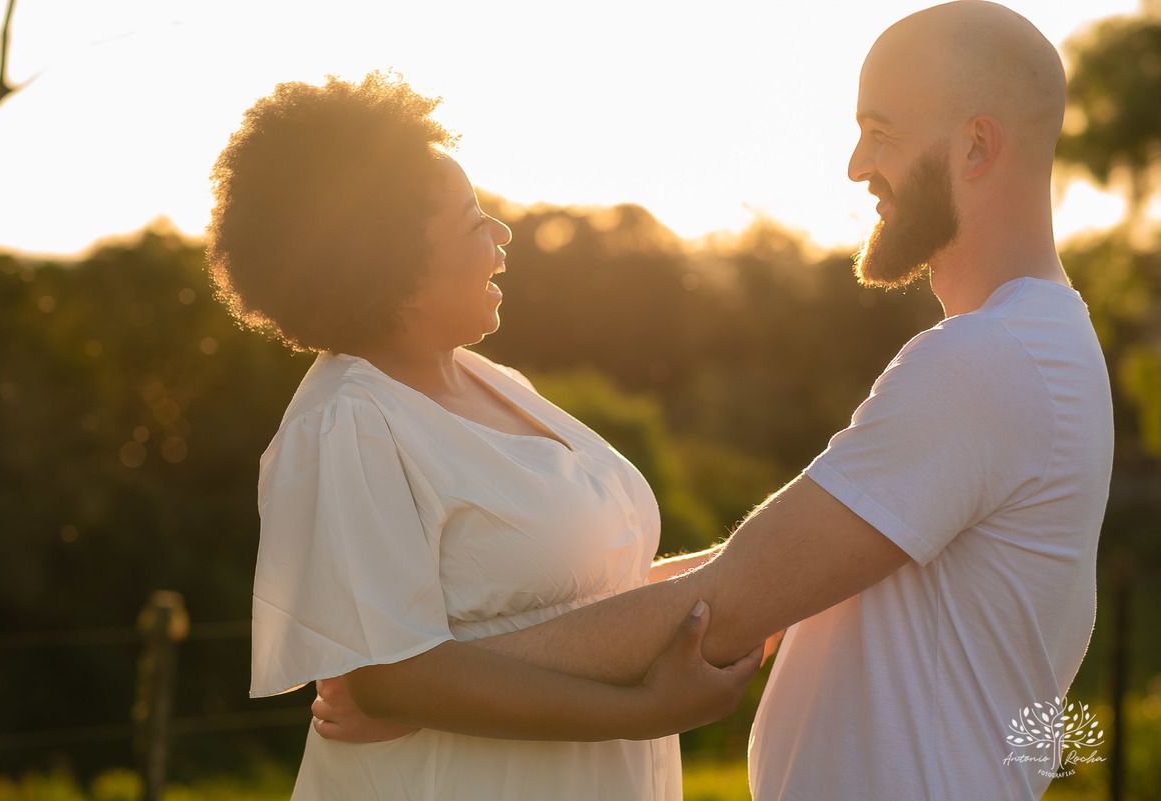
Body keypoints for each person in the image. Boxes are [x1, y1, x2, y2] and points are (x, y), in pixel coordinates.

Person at [315, 3, 1114, 799]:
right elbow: (755, 571)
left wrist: (422, 679)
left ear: (976, 145)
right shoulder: (1033, 349)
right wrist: (440, 662)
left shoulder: (988, 360)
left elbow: (727, 604)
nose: (856, 164)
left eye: (882, 132)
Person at [205, 73, 765, 800]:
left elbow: (587, 600)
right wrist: (644, 709)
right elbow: (391, 675)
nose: (501, 236)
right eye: (474, 223)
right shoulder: (345, 423)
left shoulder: (495, 382)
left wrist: (764, 562)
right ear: (391, 267)